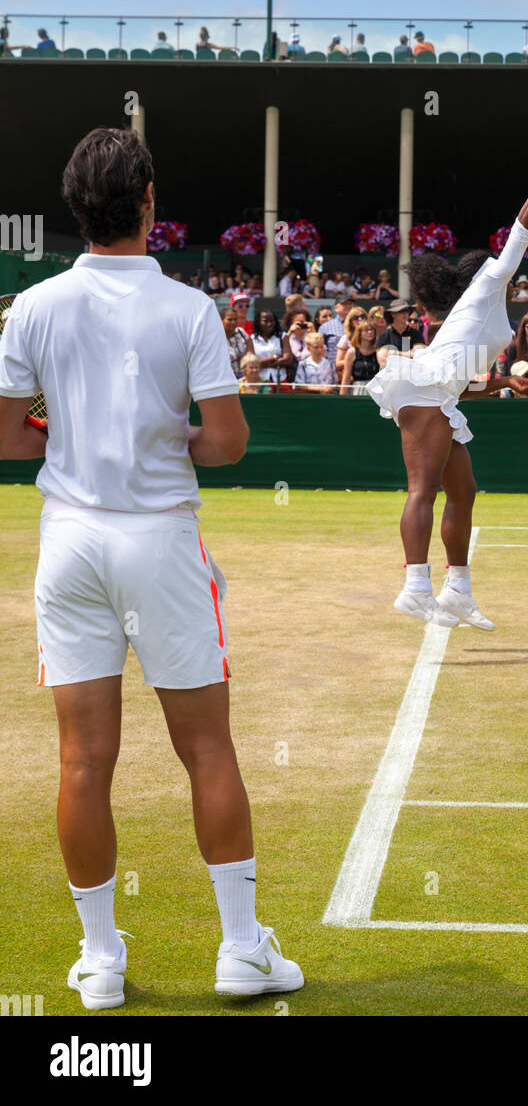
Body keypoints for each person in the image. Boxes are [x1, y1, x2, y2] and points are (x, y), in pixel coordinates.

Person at [0, 126, 302, 1008]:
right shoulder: (188, 307)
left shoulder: (35, 305)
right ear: (149, 202)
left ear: (74, 208)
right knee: (206, 747)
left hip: (72, 545)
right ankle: (240, 951)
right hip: (160, 543)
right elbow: (230, 444)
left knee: (83, 762)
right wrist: (167, 435)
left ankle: (100, 964)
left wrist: (80, 436)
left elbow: (8, 437)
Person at [366, 148, 528, 629]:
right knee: (422, 491)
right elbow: (522, 234)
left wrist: (506, 382)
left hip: (438, 394)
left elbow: (462, 388)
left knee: (463, 491)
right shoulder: (487, 285)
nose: (511, 272)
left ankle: (458, 589)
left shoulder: (482, 315)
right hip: (423, 389)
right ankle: (415, 587)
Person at [340, 319, 380, 394]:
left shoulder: (378, 352)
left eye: (371, 329)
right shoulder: (351, 352)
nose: (370, 332)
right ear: (359, 333)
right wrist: (342, 400)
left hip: (376, 390)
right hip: (359, 390)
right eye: (366, 330)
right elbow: (346, 377)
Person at [250, 307, 286, 384]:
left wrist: (261, 364)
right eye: (265, 321)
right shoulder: (252, 339)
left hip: (280, 380)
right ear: (258, 322)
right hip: (259, 380)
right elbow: (252, 364)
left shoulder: (282, 336)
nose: (269, 324)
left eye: (272, 321)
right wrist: (274, 357)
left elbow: (287, 360)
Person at [335, 306, 367, 380]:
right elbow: (338, 364)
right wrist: (354, 360)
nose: (360, 319)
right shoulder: (345, 339)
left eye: (362, 316)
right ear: (351, 322)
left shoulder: (372, 337)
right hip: (352, 377)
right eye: (355, 318)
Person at [223, 307, 253, 379]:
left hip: (243, 380)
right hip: (225, 380)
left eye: (235, 319)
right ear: (221, 320)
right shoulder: (216, 337)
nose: (233, 322)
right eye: (229, 320)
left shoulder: (241, 333)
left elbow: (251, 356)